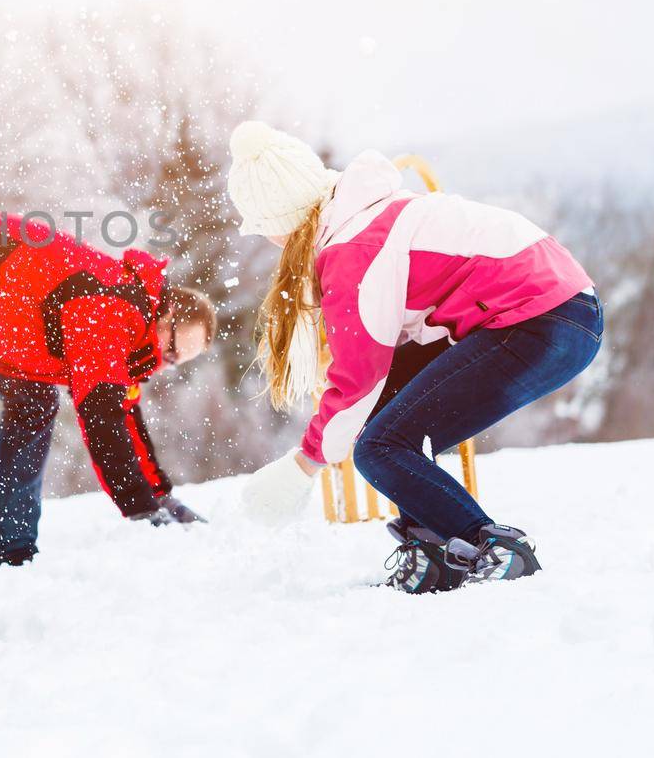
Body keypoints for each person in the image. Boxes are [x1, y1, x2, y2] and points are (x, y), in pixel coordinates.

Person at [231, 121, 601, 593]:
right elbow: (377, 379)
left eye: (266, 231)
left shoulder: (352, 248)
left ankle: (492, 547)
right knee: (392, 420)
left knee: (380, 446)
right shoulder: (364, 216)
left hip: (538, 319)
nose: (271, 244)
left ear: (281, 224)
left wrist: (302, 466)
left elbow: (356, 380)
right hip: (555, 311)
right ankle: (431, 548)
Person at [0, 213, 216, 565]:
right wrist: (142, 509)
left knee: (35, 402)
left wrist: (161, 497)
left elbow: (124, 414)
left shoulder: (134, 332)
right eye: (172, 350)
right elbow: (102, 418)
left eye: (175, 361)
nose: (165, 362)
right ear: (169, 312)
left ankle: (7, 550)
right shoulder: (113, 310)